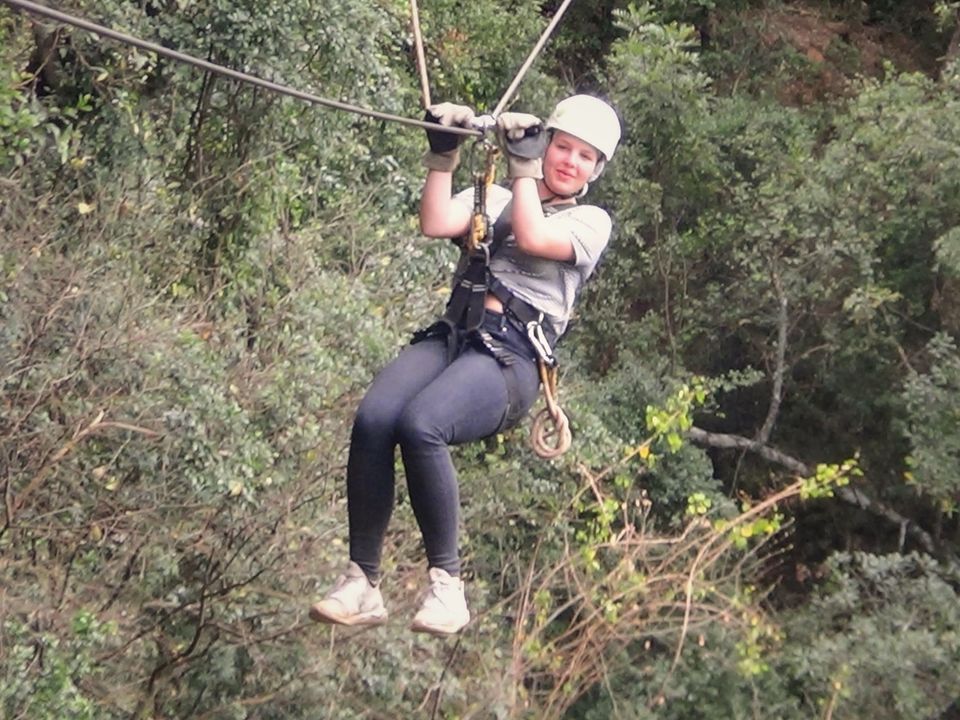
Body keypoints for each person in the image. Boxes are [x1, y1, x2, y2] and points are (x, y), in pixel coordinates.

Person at [309, 94, 621, 636]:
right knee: (375, 417)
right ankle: (361, 581)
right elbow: (435, 222)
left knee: (421, 424)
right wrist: (443, 154)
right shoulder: (496, 195)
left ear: (595, 170)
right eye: (563, 147)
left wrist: (523, 167)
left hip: (512, 358)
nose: (570, 161)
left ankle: (447, 588)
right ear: (547, 145)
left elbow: (533, 236)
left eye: (584, 156)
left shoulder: (591, 221)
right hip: (457, 334)